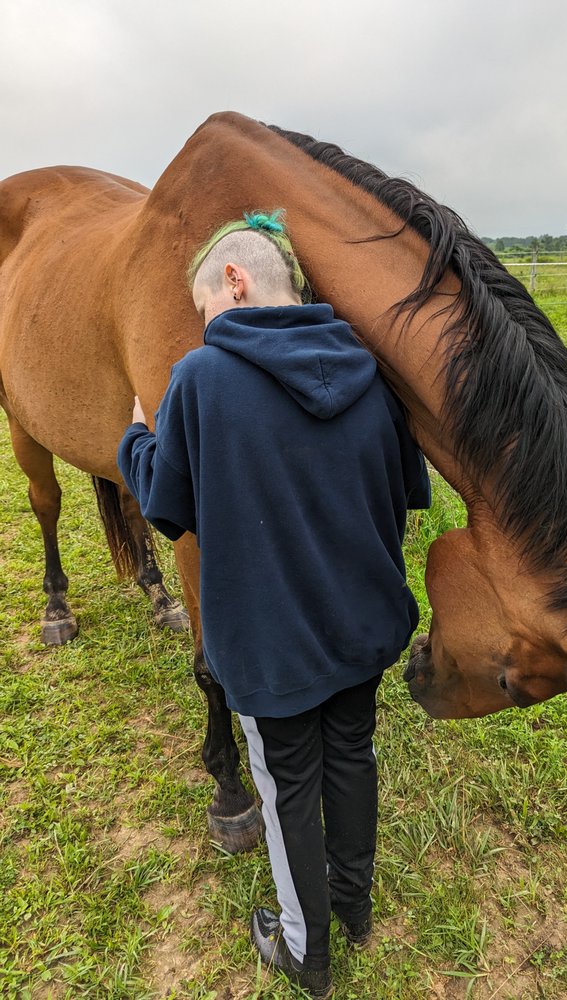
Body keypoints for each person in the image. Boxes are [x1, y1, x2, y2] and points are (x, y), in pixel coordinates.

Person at [117, 211, 431, 998]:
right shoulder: (369, 365)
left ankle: (304, 952)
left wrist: (135, 440)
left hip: (270, 645)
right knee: (351, 756)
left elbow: (166, 506)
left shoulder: (201, 377)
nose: (206, 328)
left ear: (235, 281)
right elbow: (403, 492)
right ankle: (352, 909)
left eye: (204, 309)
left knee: (287, 784)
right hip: (362, 623)